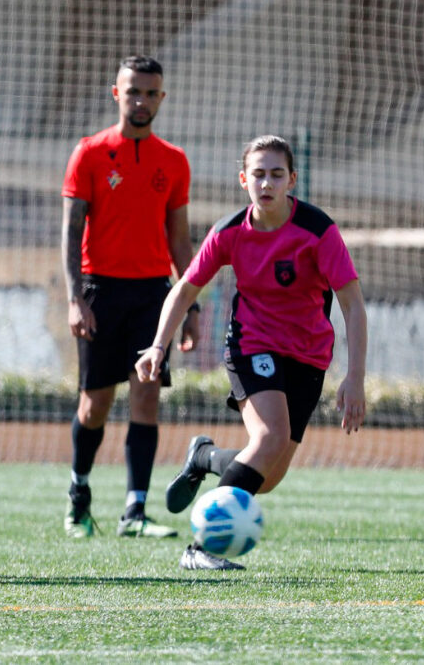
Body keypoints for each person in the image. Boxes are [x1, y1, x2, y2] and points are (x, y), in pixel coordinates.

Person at [136, 135, 367, 570]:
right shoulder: (228, 232)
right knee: (269, 439)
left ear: (291, 180)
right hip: (252, 345)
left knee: (269, 476)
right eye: (258, 174)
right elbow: (185, 288)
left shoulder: (318, 231)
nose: (267, 183)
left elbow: (353, 304)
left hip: (309, 357)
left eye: (276, 174)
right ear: (244, 180)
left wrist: (355, 377)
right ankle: (199, 550)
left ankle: (204, 457)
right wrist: (157, 345)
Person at [60, 54, 198, 539]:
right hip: (100, 293)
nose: (141, 100)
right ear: (116, 93)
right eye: (132, 91)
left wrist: (192, 305)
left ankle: (134, 512)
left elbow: (180, 241)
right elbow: (71, 231)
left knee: (146, 400)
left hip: (153, 297)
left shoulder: (174, 160)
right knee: (94, 404)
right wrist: (76, 299)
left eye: (150, 92)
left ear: (162, 98)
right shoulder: (90, 153)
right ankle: (78, 498)